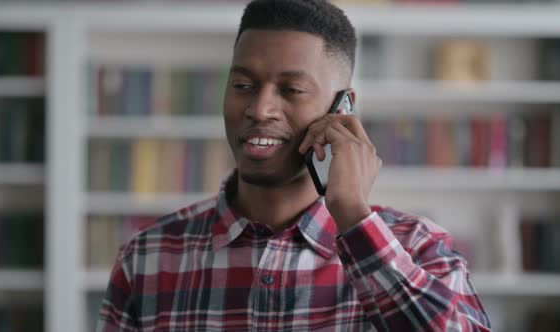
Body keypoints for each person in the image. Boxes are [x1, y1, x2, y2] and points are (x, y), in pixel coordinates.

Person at [97, 0, 491, 331]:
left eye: (292, 90)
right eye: (243, 86)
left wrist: (354, 217)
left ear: (343, 108)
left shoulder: (418, 248)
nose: (259, 108)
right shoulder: (147, 257)